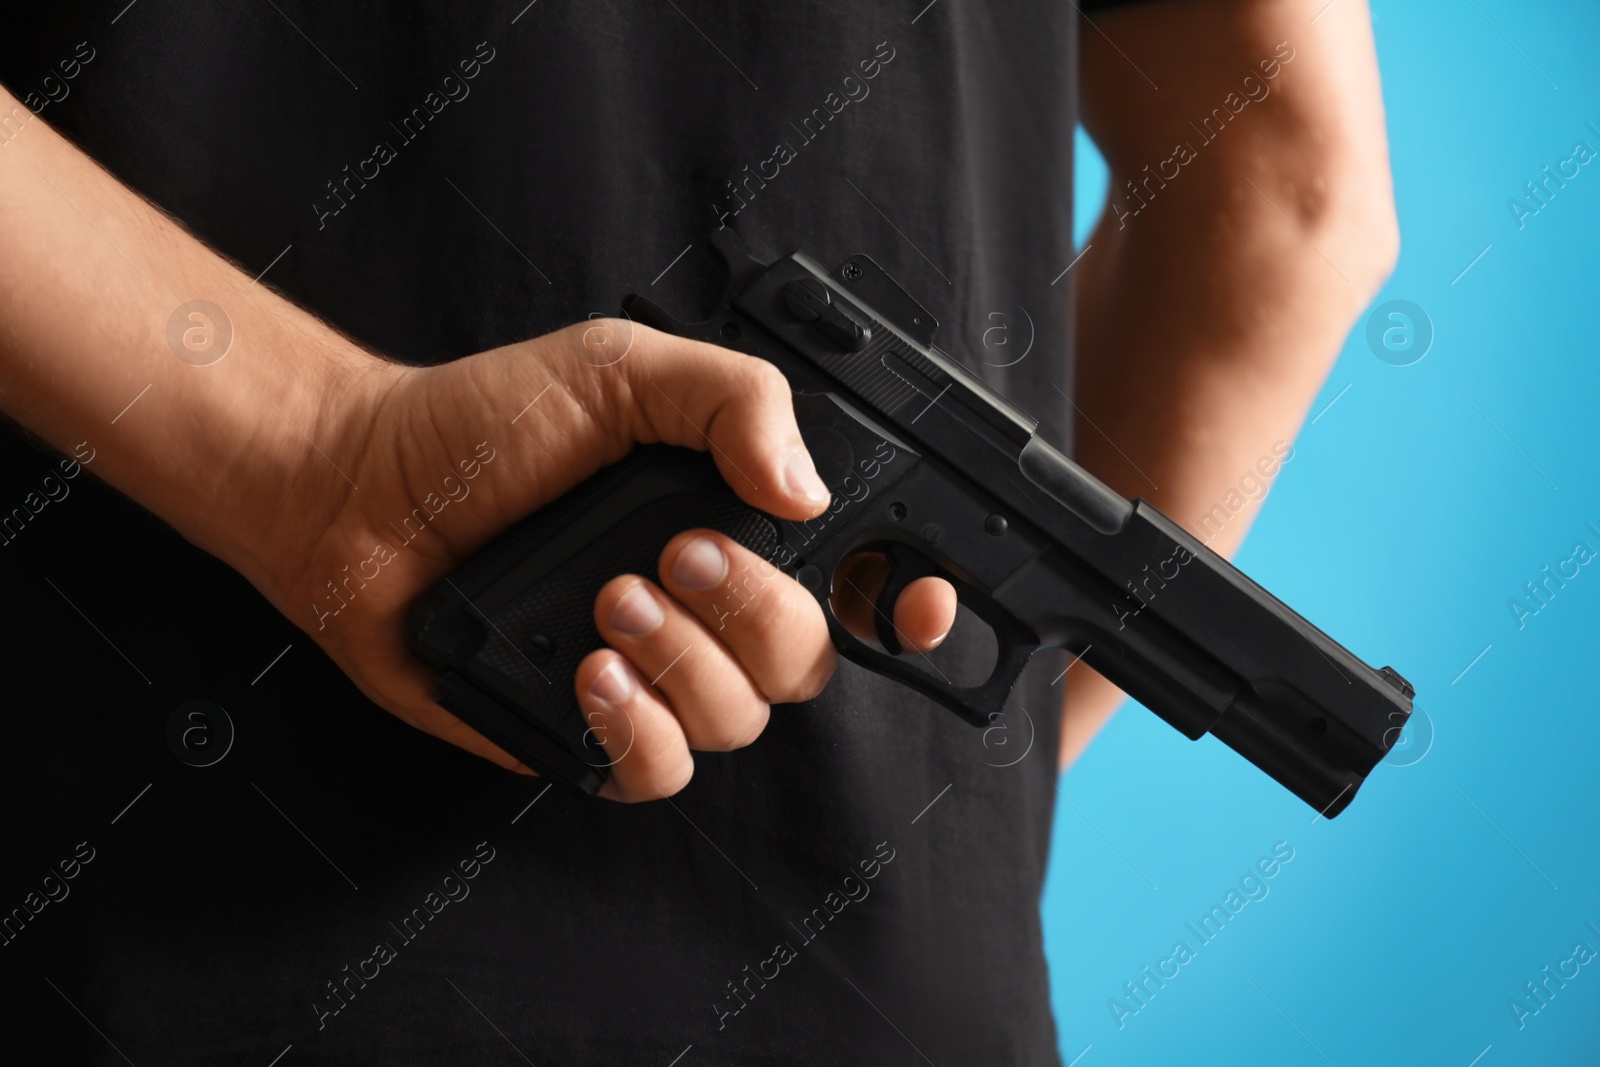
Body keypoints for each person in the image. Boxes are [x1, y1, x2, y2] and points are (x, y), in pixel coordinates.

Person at [0, 1, 1396, 1062]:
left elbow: (1291, 194)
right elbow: (1292, 190)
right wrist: (941, 804)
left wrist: (309, 457)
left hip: (152, 871)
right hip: (872, 986)